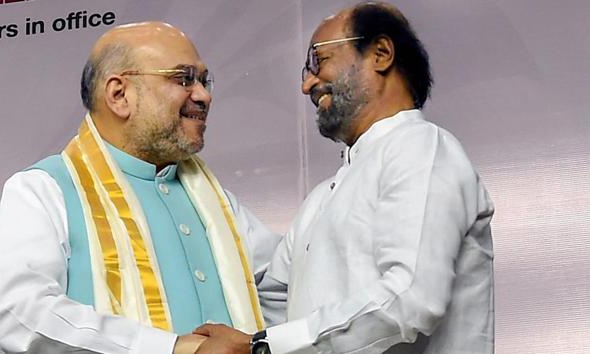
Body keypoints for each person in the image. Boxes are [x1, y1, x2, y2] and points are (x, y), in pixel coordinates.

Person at [194, 2, 495, 353]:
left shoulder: (422, 148)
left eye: (318, 61)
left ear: (381, 54)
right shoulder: (321, 200)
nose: (307, 84)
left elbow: (410, 298)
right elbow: (270, 310)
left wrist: (260, 347)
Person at [0, 22, 280, 354]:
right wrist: (172, 349)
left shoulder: (217, 204)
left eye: (204, 80)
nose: (203, 95)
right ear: (119, 95)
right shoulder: (44, 191)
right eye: (183, 78)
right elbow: (16, 312)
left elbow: (286, 289)